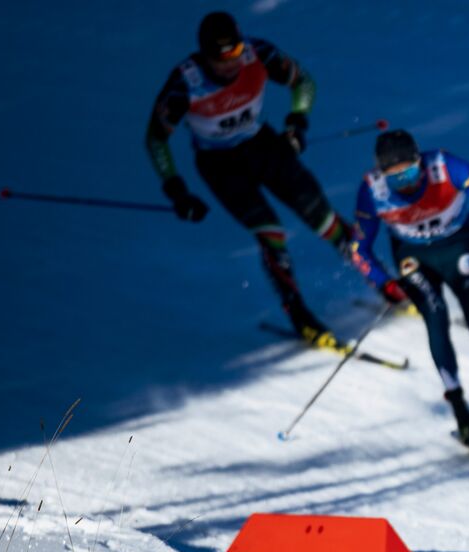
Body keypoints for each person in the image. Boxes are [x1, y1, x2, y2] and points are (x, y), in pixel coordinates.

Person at [146, 11, 351, 347]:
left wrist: (297, 122)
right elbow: (156, 139)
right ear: (205, 55)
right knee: (270, 232)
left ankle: (382, 280)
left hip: (262, 145)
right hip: (218, 165)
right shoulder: (185, 84)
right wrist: (177, 191)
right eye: (221, 59)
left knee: (321, 216)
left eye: (236, 52)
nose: (232, 65)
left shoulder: (259, 55)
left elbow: (304, 81)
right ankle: (301, 318)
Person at [352, 129, 469, 447]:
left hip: (457, 247)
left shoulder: (445, 167)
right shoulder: (373, 190)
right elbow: (359, 248)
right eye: (394, 179)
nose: (404, 184)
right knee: (435, 316)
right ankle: (461, 410)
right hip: (413, 259)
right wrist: (384, 284)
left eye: (408, 173)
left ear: (420, 162)